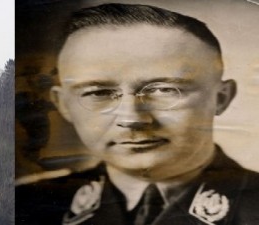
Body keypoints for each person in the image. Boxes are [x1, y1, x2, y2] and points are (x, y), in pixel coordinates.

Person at [16, 3, 259, 225]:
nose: (131, 118)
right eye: (98, 92)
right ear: (64, 105)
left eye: (164, 90)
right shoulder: (25, 206)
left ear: (221, 98)